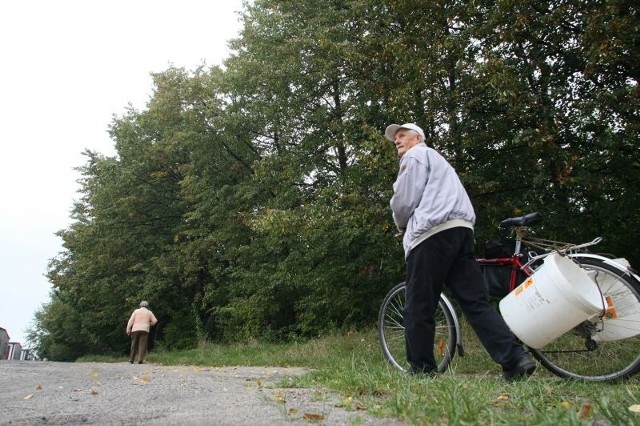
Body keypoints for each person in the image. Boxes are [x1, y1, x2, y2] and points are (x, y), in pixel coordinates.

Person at [385, 122, 536, 380]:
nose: (397, 140)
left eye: (402, 135)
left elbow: (404, 201)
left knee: (419, 305)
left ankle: (422, 370)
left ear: (418, 137)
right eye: (395, 138)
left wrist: (400, 225)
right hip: (461, 232)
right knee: (475, 302)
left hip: (430, 235)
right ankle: (515, 359)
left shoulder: (417, 155)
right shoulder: (442, 163)